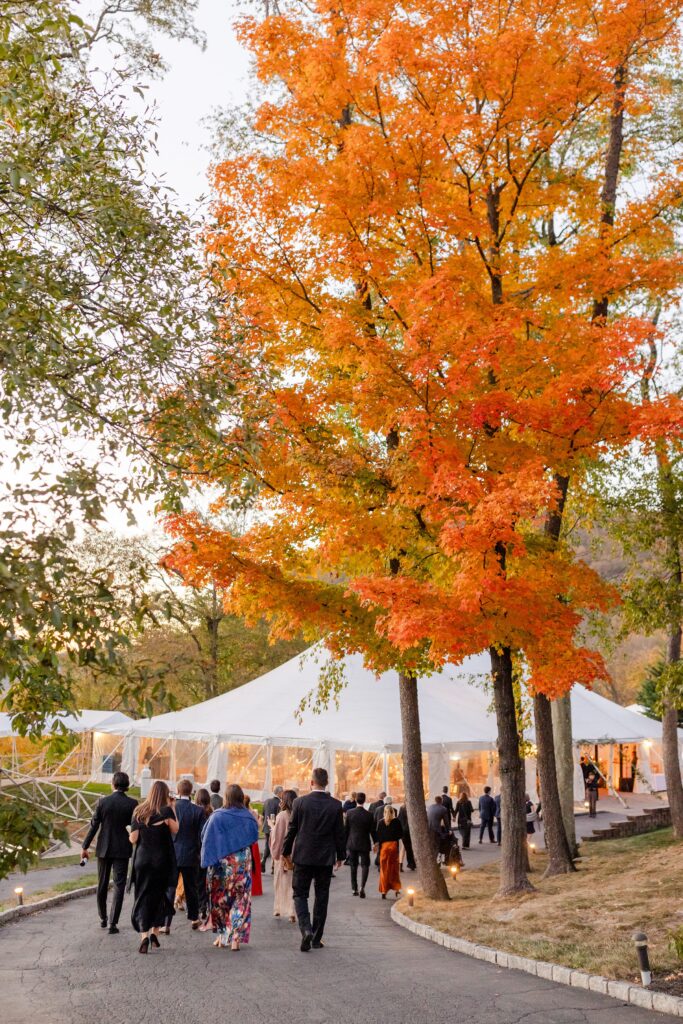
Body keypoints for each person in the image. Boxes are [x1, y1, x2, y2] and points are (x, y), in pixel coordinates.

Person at [282, 767, 345, 952]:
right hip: (325, 858)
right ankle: (316, 938)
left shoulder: (300, 803)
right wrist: (341, 855)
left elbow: (292, 830)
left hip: (303, 856)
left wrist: (285, 852)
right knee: (322, 896)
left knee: (300, 894)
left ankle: (306, 929)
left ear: (311, 782)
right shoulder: (335, 805)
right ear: (326, 783)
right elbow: (339, 833)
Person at [201, 783, 259, 950]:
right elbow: (254, 835)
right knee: (241, 900)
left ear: (226, 798)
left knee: (220, 899)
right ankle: (235, 939)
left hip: (221, 864)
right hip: (242, 863)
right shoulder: (247, 816)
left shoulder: (217, 816)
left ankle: (221, 936)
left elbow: (205, 838)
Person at [81, 770, 138, 933]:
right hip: (122, 849)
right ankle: (113, 922)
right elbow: (134, 828)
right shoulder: (133, 804)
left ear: (113, 784)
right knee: (119, 885)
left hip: (104, 848)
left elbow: (94, 826)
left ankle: (103, 918)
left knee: (102, 883)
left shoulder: (103, 802)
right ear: (127, 786)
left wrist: (85, 847)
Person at [129, 781, 178, 953]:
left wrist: (134, 830)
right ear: (165, 793)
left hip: (142, 860)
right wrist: (173, 807)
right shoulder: (165, 811)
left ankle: (144, 936)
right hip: (161, 860)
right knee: (159, 895)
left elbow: (133, 839)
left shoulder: (139, 811)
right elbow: (176, 829)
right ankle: (155, 933)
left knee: (142, 895)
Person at [166, 778, 206, 931]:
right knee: (191, 888)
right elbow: (203, 834)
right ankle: (194, 919)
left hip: (172, 853)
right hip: (191, 854)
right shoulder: (198, 810)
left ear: (177, 791)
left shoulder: (171, 808)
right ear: (191, 792)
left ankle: (166, 923)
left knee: (170, 888)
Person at [270, 788, 297, 921]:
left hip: (283, 855)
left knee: (279, 883)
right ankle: (292, 911)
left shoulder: (282, 816)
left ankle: (279, 908)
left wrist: (275, 853)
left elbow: (277, 837)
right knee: (293, 884)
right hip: (296, 854)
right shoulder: (299, 814)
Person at [344, 792, 376, 898]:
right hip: (364, 842)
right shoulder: (369, 815)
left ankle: (354, 888)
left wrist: (344, 843)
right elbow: (372, 831)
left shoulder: (349, 813)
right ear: (364, 800)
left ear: (356, 800)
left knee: (353, 866)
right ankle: (362, 887)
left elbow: (346, 829)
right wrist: (376, 842)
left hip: (352, 842)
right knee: (365, 865)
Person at [375, 804, 403, 899]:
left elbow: (378, 837)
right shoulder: (397, 822)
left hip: (384, 848)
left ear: (384, 812)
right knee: (394, 869)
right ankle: (396, 889)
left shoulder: (381, 823)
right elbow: (400, 834)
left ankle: (384, 890)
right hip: (394, 847)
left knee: (384, 870)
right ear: (393, 812)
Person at [194, 787, 213, 923]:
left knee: (198, 882)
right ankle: (205, 906)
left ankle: (200, 907)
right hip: (208, 851)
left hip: (196, 851)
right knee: (206, 880)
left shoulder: (195, 812)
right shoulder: (211, 813)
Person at [244, 795, 263, 897]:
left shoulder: (241, 813)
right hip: (253, 843)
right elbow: (258, 826)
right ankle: (256, 888)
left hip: (244, 842)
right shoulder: (253, 813)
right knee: (255, 866)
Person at [261, 785, 283, 873]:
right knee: (276, 846)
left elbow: (263, 814)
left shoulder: (266, 801)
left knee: (267, 845)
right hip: (274, 827)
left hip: (266, 827)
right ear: (280, 793)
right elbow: (279, 816)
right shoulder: (280, 803)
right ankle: (273, 867)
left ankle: (263, 861)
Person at [427, 795, 452, 860]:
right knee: (437, 845)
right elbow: (446, 822)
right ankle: (435, 860)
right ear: (442, 801)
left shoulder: (429, 807)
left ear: (435, 801)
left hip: (428, 829)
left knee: (430, 845)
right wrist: (449, 830)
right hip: (436, 830)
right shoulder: (443, 809)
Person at [397, 803, 416, 870]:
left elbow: (398, 819)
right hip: (408, 831)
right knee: (409, 848)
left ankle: (401, 864)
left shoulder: (401, 808)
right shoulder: (410, 809)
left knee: (404, 848)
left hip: (402, 831)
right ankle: (411, 864)